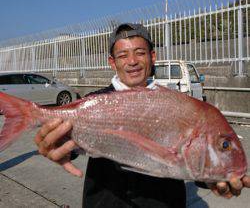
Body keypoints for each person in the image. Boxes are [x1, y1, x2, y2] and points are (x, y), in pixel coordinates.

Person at [35, 23, 250, 207]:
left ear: (152, 56)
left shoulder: (178, 104)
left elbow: (191, 158)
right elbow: (70, 145)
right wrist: (55, 146)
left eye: (140, 52)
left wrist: (212, 177)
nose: (132, 61)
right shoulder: (94, 102)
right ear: (112, 62)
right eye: (123, 55)